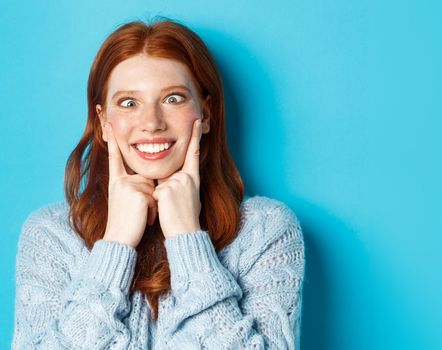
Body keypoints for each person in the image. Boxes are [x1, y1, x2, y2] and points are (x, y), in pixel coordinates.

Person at [12, 17, 305, 349]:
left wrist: (187, 239)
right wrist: (115, 246)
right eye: (128, 103)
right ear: (104, 123)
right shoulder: (51, 235)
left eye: (173, 98)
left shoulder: (265, 230)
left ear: (206, 114)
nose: (151, 123)